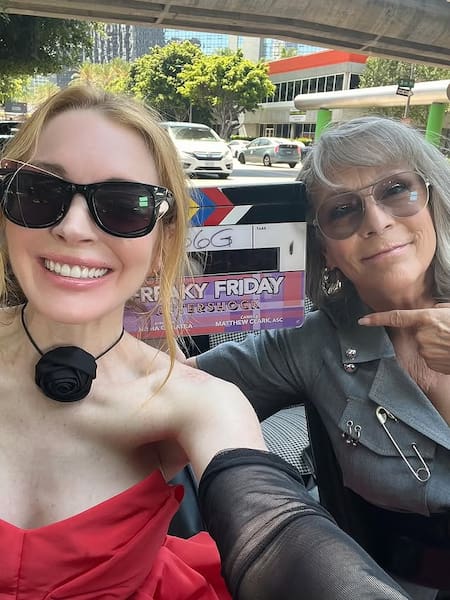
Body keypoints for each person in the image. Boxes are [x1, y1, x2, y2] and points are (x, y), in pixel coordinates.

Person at [0, 86, 411, 599]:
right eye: (38, 192)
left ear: (163, 242)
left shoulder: (196, 401)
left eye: (125, 205)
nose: (73, 228)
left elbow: (275, 528)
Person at [192, 116, 450, 600]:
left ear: (431, 201)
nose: (377, 221)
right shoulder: (312, 343)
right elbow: (177, 385)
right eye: (343, 210)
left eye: (397, 190)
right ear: (325, 249)